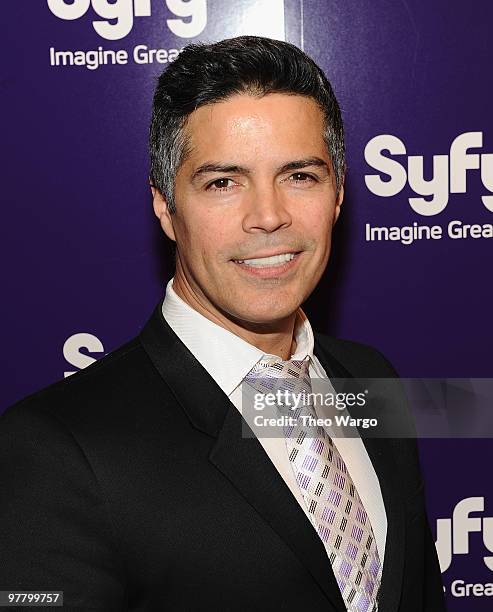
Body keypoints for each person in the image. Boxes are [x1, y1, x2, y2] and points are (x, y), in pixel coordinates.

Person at [0, 36, 445, 611]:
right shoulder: (55, 449)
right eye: (223, 182)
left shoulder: (369, 377)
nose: (268, 216)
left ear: (338, 194)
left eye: (300, 175)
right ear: (166, 207)